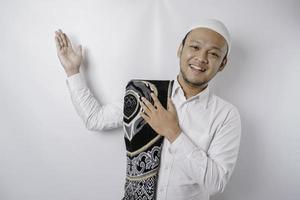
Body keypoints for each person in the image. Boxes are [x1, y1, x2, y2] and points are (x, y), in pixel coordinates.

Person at [54, 18, 241, 200]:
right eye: (195, 47)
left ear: (223, 63)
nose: (201, 58)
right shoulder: (144, 93)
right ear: (180, 50)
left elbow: (216, 183)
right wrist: (73, 71)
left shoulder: (225, 115)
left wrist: (173, 133)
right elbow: (95, 119)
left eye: (214, 54)